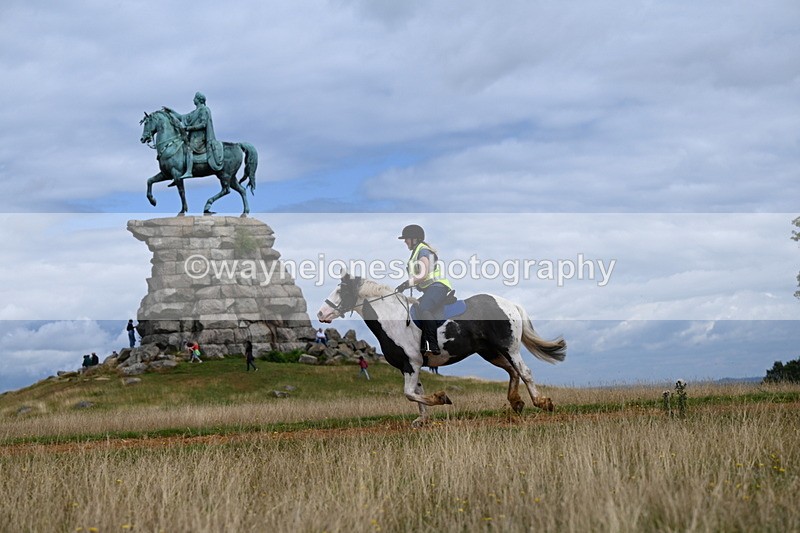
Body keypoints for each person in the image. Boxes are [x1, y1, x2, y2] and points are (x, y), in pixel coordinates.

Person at [394, 224, 453, 356]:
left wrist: (406, 283)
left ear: (414, 239)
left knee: (424, 308)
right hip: (430, 289)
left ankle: (431, 345)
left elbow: (423, 274)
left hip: (437, 286)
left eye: (406, 238)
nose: (405, 241)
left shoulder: (423, 251)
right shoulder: (417, 252)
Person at [164, 92, 223, 186]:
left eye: (194, 98)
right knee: (180, 148)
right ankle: (178, 173)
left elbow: (203, 124)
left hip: (200, 138)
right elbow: (182, 117)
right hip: (193, 137)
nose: (193, 100)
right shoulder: (195, 112)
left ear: (199, 99)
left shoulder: (204, 110)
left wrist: (189, 128)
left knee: (188, 149)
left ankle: (189, 171)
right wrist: (171, 111)